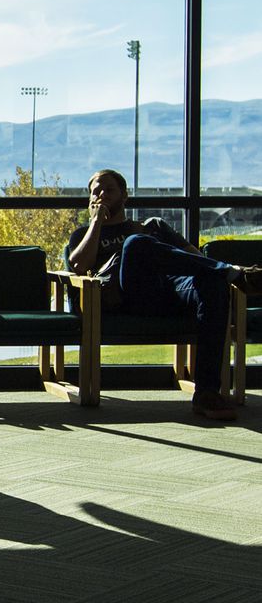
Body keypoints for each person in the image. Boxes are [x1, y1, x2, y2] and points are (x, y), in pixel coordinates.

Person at [67, 168, 262, 422]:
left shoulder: (154, 226)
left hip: (171, 292)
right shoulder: (83, 235)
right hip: (130, 297)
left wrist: (208, 270)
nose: (102, 194)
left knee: (213, 283)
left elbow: (196, 259)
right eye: (96, 191)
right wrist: (96, 222)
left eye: (109, 190)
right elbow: (79, 266)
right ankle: (234, 274)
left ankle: (207, 393)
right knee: (136, 244)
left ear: (125, 196)